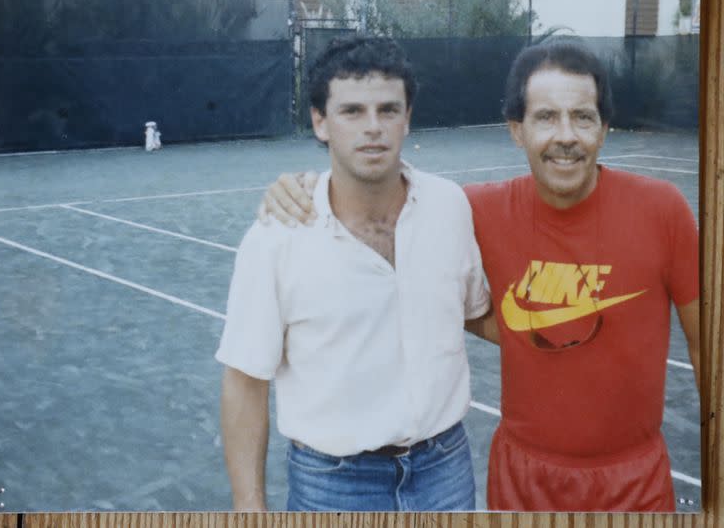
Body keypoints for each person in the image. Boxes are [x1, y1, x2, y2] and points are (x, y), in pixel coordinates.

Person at [259, 40, 700, 512]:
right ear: (516, 130)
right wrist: (305, 188)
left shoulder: (661, 210)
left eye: (583, 117)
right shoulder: (471, 209)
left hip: (635, 481)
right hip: (523, 481)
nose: (565, 135)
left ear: (605, 128)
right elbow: (383, 200)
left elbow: (707, 346)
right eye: (546, 117)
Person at [216, 36, 491, 512]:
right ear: (320, 122)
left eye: (388, 109)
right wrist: (249, 505)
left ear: (407, 118)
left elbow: (474, 313)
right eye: (352, 112)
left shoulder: (450, 207)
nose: (373, 128)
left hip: (444, 470)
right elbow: (244, 380)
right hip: (333, 485)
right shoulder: (275, 237)